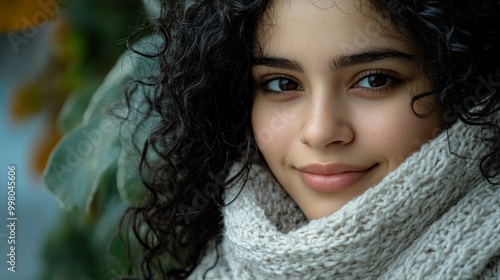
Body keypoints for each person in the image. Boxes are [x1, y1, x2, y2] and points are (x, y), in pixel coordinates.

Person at [120, 0, 500, 279]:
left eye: (374, 80)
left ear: (460, 82)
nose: (319, 132)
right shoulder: (216, 268)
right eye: (282, 84)